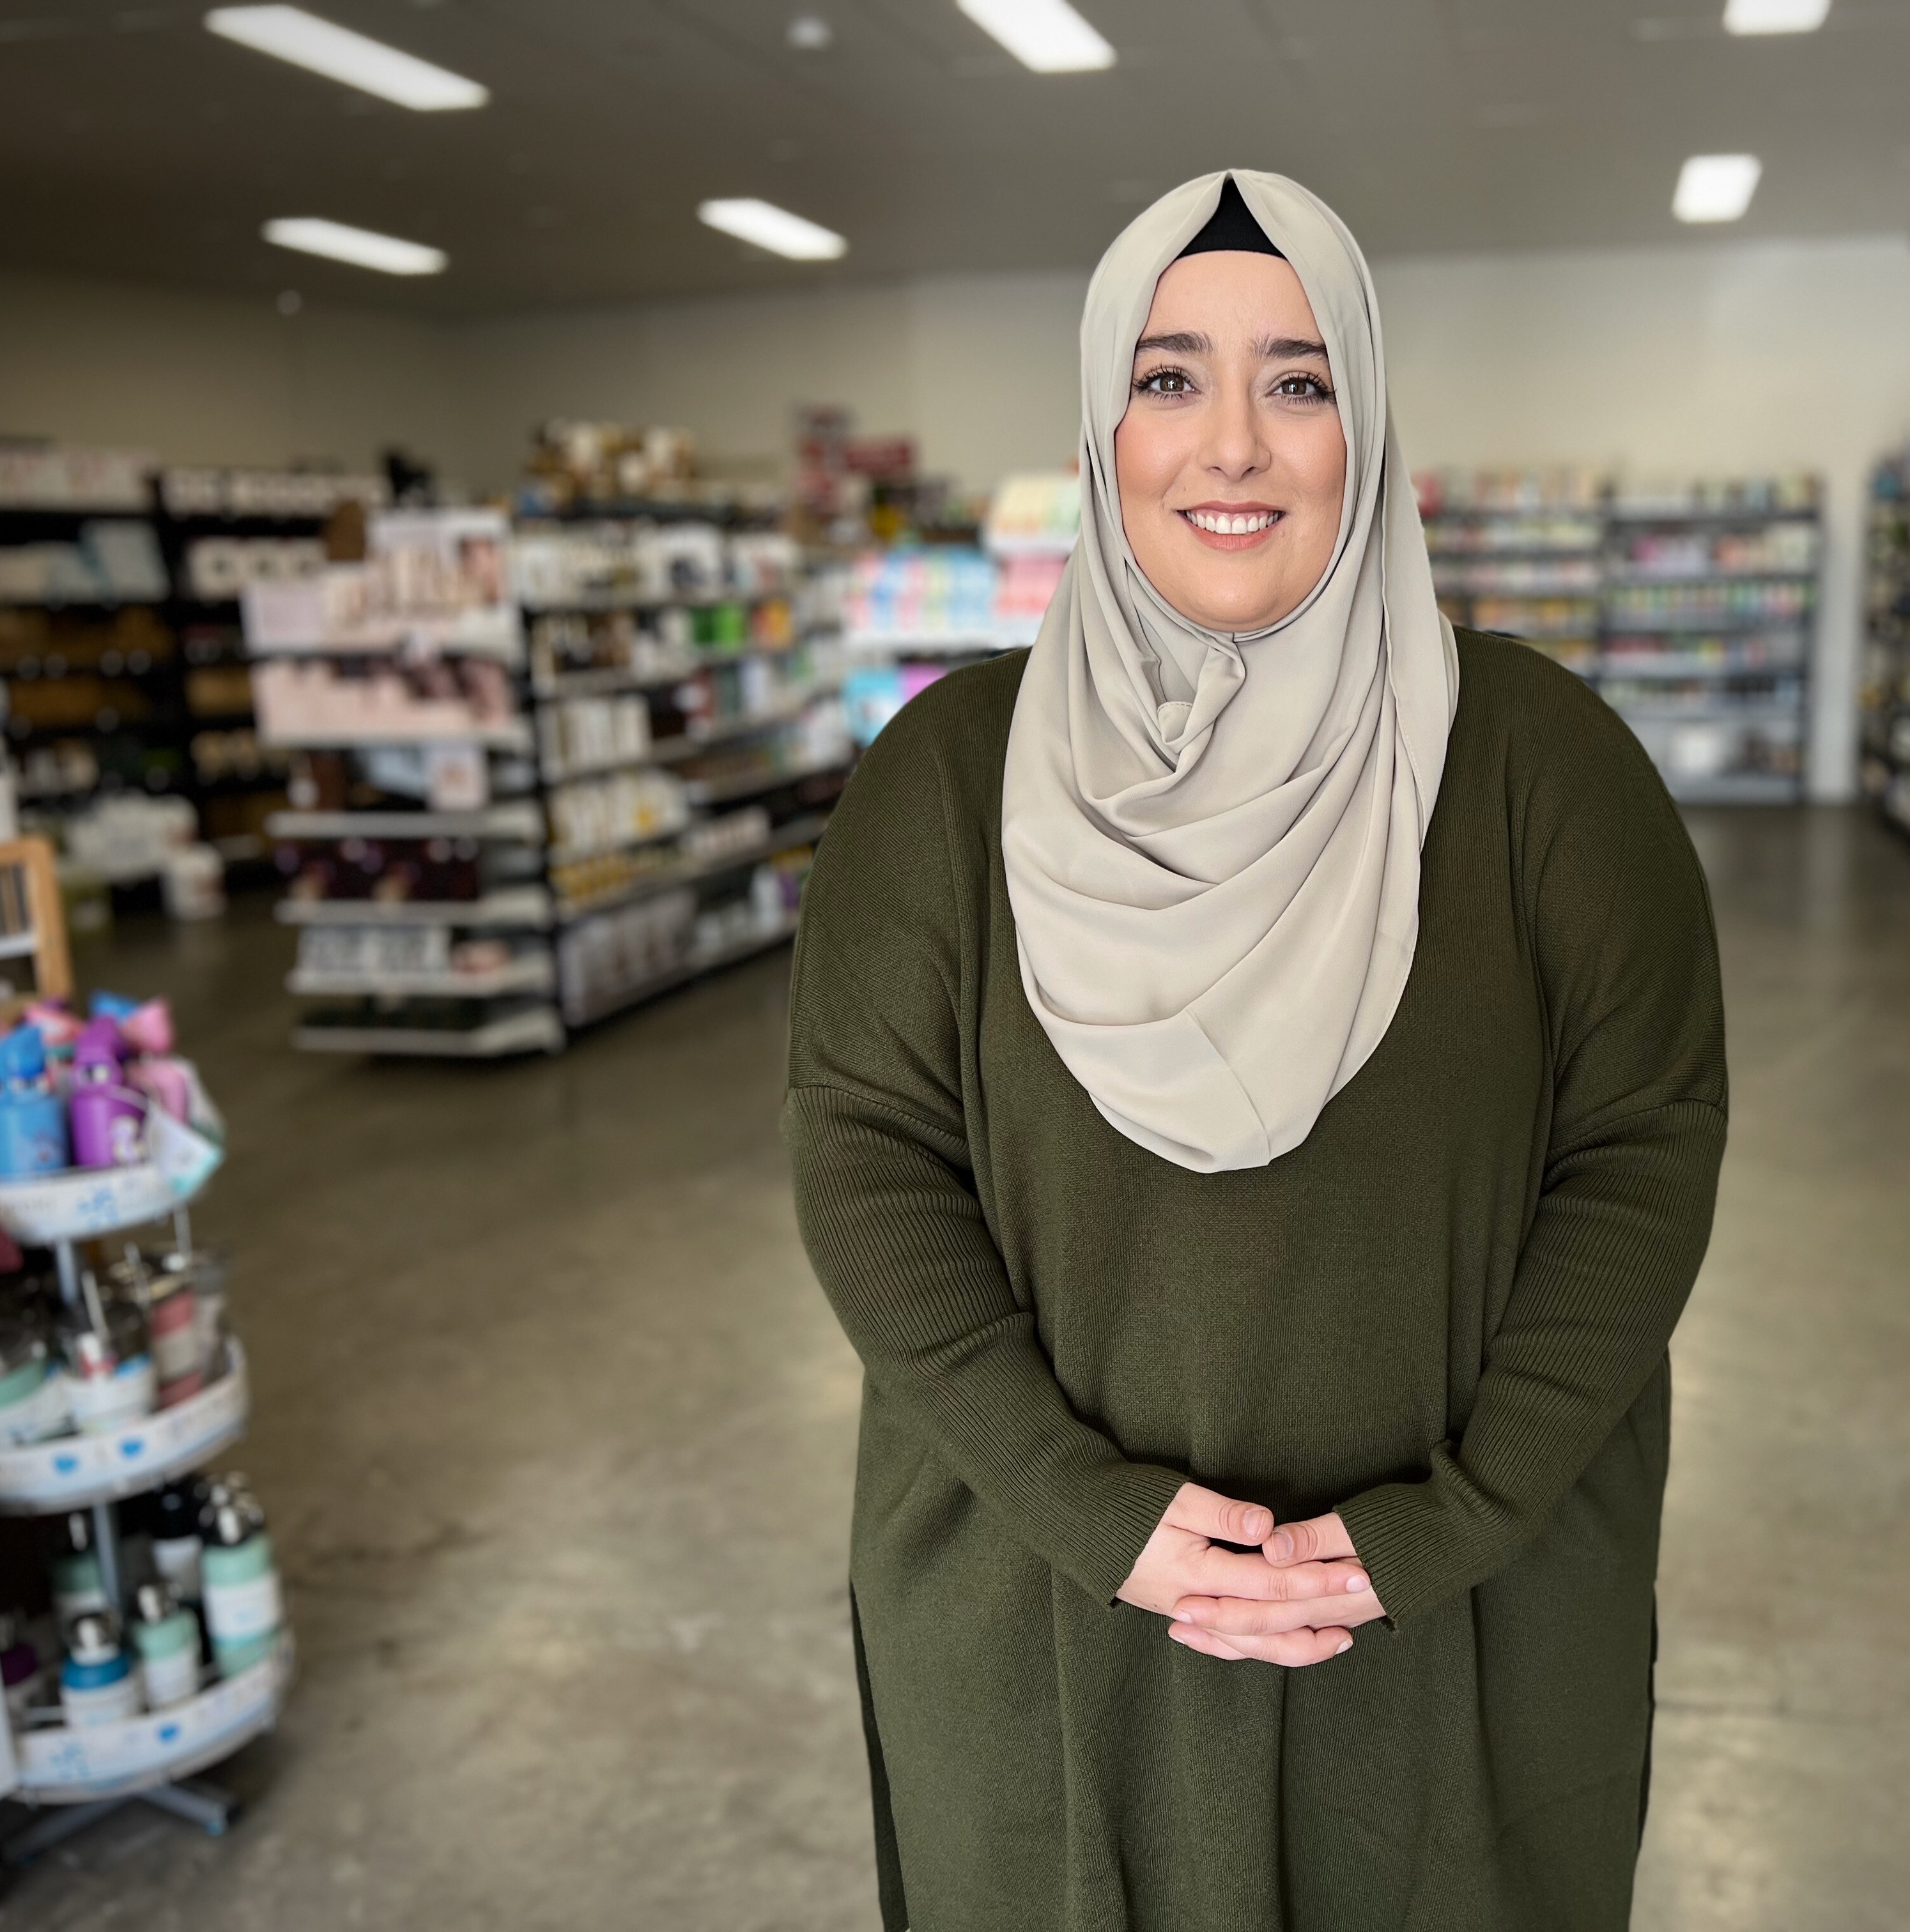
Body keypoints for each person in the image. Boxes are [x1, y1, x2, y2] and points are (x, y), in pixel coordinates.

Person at [784, 169, 1728, 1931]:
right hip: (1043, 1603)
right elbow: (861, 1155)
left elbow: (1646, 1148)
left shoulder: (1544, 765)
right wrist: (1088, 1505)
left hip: (1454, 1612)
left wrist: (1449, 1521)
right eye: (1169, 378)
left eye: (1298, 381)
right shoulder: (944, 778)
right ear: (1100, 424)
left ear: (1365, 422)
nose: (1233, 444)